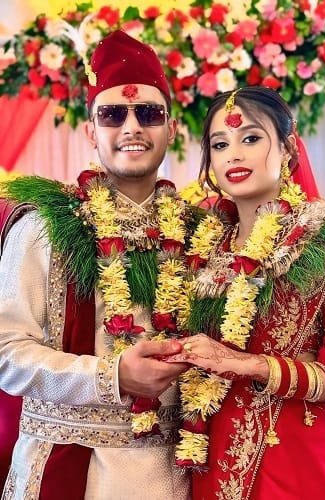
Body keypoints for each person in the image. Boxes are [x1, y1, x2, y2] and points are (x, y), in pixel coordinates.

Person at [0, 30, 192, 498]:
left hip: (172, 475)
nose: (132, 127)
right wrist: (113, 376)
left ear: (171, 129)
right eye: (113, 114)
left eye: (149, 113)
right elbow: (6, 355)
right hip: (67, 466)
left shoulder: (201, 233)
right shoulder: (44, 226)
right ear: (91, 131)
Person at [163, 86, 325, 499]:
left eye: (251, 138)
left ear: (288, 149)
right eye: (220, 144)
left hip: (294, 461)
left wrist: (248, 365)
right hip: (209, 458)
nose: (234, 155)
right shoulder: (202, 246)